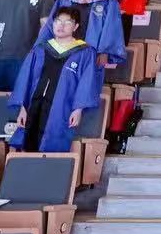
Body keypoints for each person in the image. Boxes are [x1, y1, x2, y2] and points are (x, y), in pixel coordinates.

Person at [8, 9, 101, 153]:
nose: (61, 25)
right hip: (35, 106)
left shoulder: (84, 52)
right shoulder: (40, 49)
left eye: (67, 22)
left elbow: (86, 82)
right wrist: (23, 108)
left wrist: (78, 109)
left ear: (75, 27)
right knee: (28, 141)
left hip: (62, 107)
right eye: (58, 21)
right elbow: (26, 80)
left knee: (53, 143)